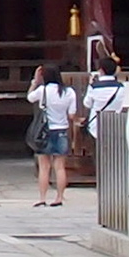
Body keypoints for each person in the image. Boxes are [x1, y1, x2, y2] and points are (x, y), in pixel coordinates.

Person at [26, 62, 80, 208]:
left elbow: (30, 98)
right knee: (60, 166)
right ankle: (59, 197)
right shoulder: (69, 92)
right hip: (62, 130)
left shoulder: (42, 90)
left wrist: (34, 82)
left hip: (45, 131)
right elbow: (72, 114)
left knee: (44, 167)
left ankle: (42, 198)